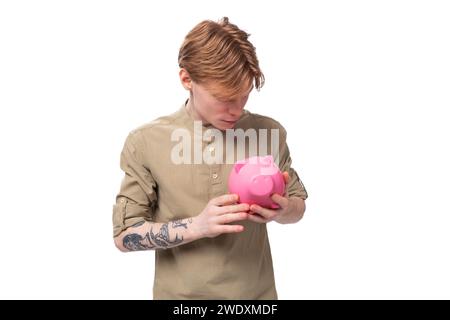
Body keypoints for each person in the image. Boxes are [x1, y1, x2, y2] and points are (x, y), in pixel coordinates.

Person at [112, 17, 308, 299]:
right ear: (186, 79)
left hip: (256, 300)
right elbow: (124, 236)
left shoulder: (269, 132)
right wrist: (196, 227)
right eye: (223, 98)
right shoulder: (145, 142)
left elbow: (298, 207)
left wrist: (284, 209)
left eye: (243, 96)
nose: (236, 109)